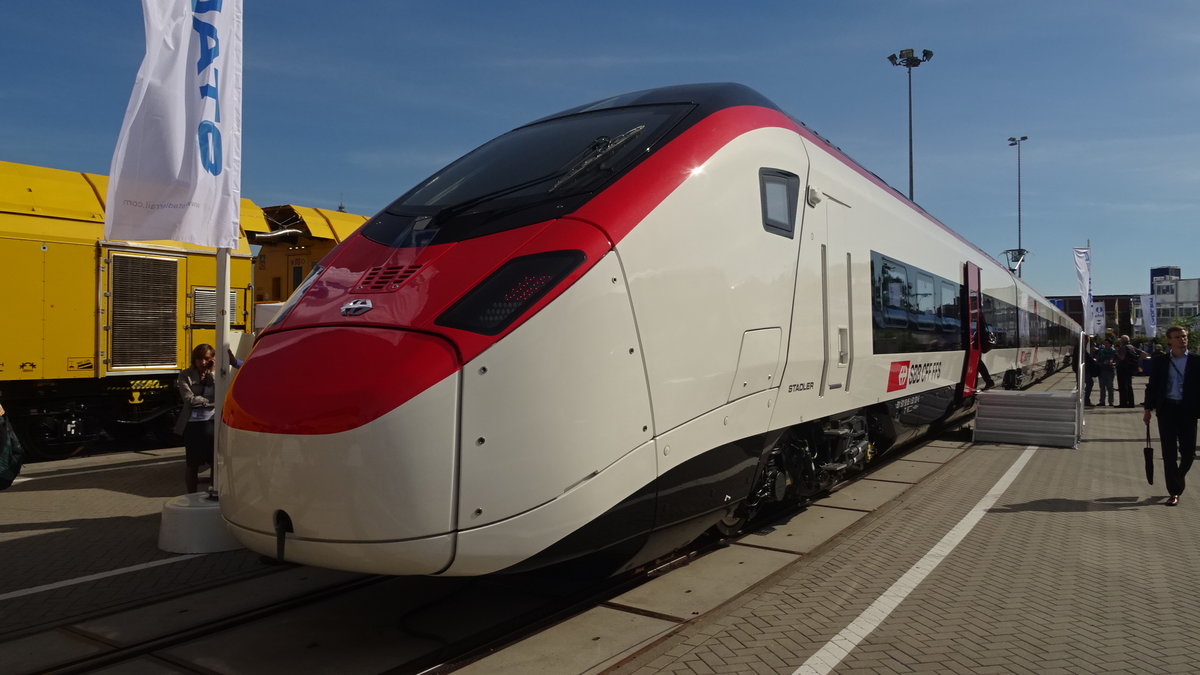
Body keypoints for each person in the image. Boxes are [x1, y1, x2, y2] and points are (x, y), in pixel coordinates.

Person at [1142, 326, 1200, 506]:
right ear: (1169, 341)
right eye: (1178, 337)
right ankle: (1174, 491)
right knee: (1169, 453)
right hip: (1167, 409)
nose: (1182, 339)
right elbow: (1152, 386)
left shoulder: (1196, 361)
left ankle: (1177, 477)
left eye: (1184, 336)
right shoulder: (1160, 361)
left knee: (1188, 453)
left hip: (1188, 410)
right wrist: (1147, 409)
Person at [175, 343, 217, 493]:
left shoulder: (216, 374)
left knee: (214, 462)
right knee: (192, 463)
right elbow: (189, 399)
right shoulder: (185, 375)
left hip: (212, 421)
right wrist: (210, 402)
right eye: (199, 359)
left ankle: (213, 492)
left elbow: (221, 393)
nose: (202, 362)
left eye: (206, 358)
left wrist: (212, 373)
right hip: (193, 423)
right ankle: (191, 494)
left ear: (212, 359)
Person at [1115, 335, 1141, 408]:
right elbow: (1143, 353)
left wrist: (1117, 352)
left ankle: (1123, 403)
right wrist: (1139, 362)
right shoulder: (1131, 347)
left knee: (1122, 386)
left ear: (1122, 341)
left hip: (1122, 368)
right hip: (1130, 369)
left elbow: (1122, 358)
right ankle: (1131, 403)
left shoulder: (1123, 347)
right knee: (1129, 386)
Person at [1096, 337, 1117, 406]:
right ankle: (1102, 401)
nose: (1105, 344)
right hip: (1102, 370)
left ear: (1110, 344)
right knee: (1102, 387)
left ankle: (1111, 402)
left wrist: (1112, 363)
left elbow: (1115, 360)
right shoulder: (1101, 351)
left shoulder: (1113, 351)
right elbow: (1098, 359)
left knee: (1110, 387)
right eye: (1105, 343)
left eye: (1107, 343)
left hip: (1110, 370)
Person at [1083, 336, 1099, 407]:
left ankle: (1085, 400)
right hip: (1084, 369)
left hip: (1085, 369)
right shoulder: (1081, 347)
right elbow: (1087, 358)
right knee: (1090, 383)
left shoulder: (1082, 347)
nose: (1088, 342)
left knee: (1088, 383)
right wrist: (1093, 360)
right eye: (1087, 340)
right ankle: (1086, 400)